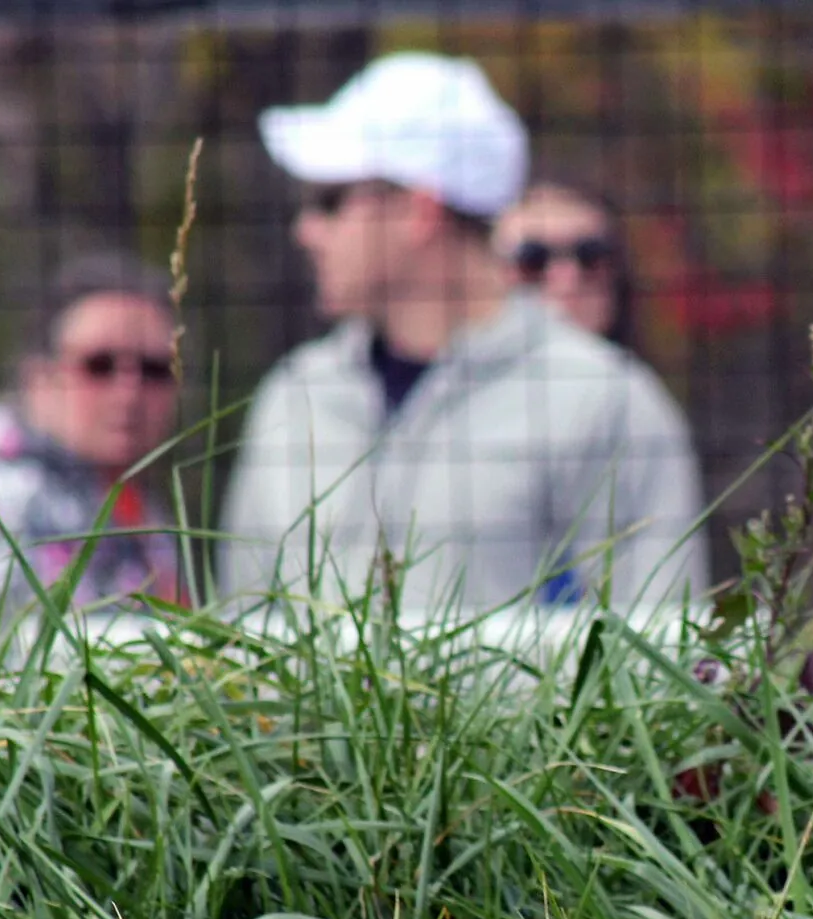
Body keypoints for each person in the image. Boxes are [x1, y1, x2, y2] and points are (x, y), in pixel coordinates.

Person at [216, 52, 708, 618]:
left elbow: (659, 654)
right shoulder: (295, 394)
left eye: (330, 202)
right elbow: (242, 645)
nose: (307, 231)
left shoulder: (605, 399)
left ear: (418, 212)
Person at [0, 251, 187, 684]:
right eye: (100, 365)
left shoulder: (121, 490)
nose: (129, 391)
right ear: (39, 378)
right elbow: (23, 693)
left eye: (155, 369)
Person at [494, 178, 638, 354]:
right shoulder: (458, 376)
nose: (567, 280)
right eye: (533, 259)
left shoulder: (637, 379)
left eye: (590, 255)